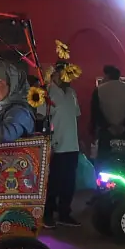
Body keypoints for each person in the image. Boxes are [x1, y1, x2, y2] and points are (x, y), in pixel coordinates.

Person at [43, 61, 80, 227]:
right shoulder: (48, 92)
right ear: (54, 74)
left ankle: (65, 213)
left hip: (72, 144)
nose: (65, 77)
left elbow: (76, 115)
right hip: (56, 144)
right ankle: (48, 214)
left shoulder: (71, 92)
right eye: (62, 73)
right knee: (54, 182)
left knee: (69, 182)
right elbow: (41, 116)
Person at [89, 65, 125, 162]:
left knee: (105, 163)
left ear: (107, 76)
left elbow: (96, 112)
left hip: (106, 133)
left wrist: (107, 126)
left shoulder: (99, 90)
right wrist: (124, 125)